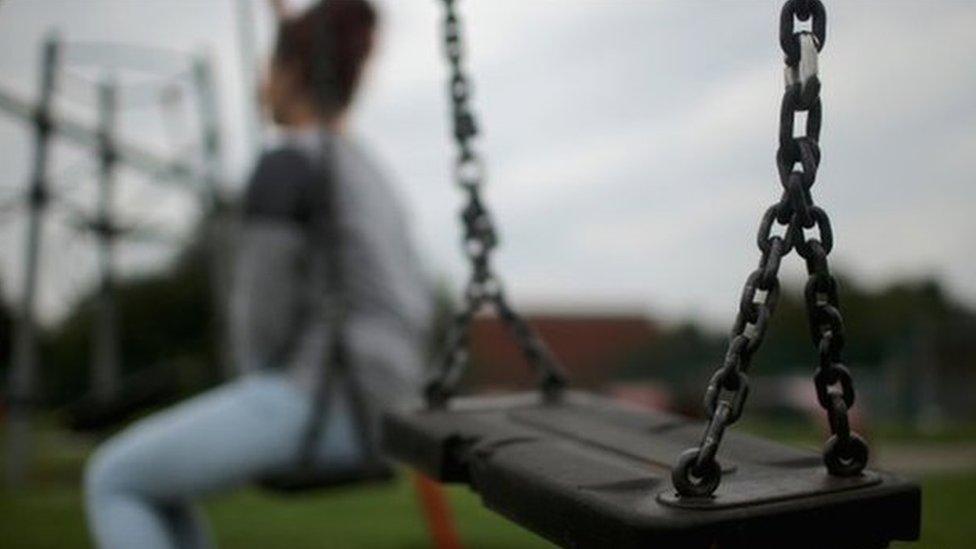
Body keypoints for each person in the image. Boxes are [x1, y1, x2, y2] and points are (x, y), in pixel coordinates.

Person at [84, 2, 432, 547]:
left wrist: (256, 379)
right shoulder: (367, 171)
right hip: (392, 403)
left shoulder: (287, 164)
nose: (260, 82)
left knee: (114, 478)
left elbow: (260, 314)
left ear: (291, 73)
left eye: (269, 67)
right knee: (161, 488)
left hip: (324, 398)